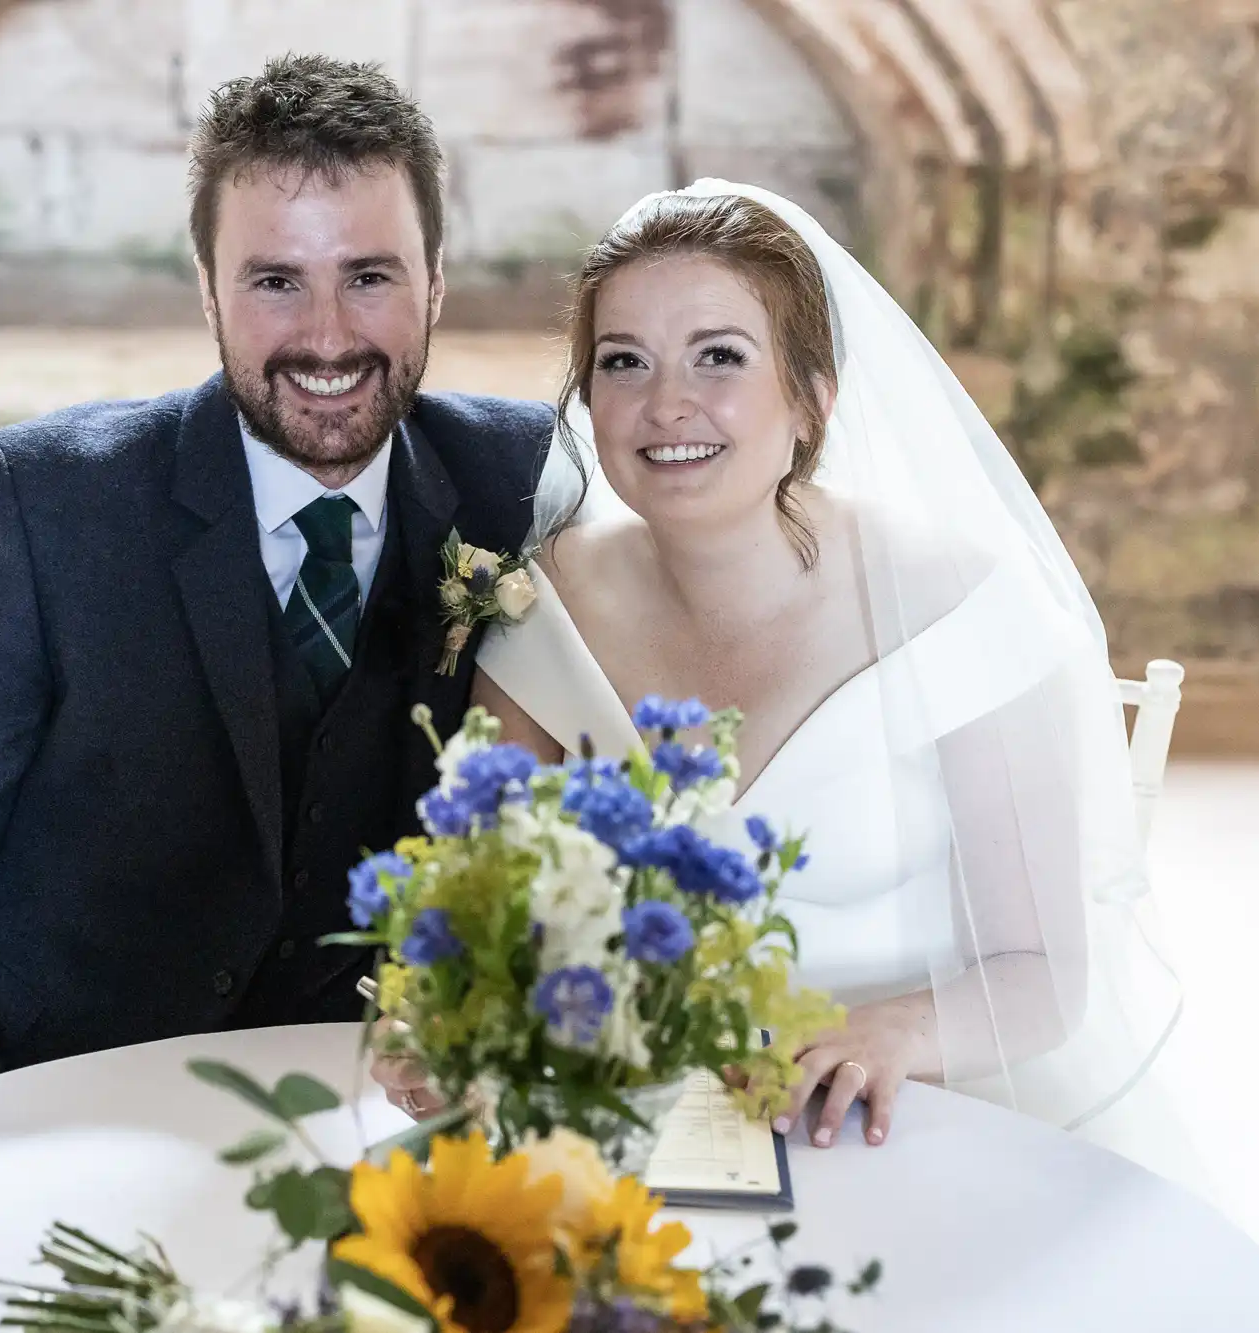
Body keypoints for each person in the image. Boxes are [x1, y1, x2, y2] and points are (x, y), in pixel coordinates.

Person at [0, 54, 549, 1172]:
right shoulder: (34, 503)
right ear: (206, 288)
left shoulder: (527, 485)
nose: (327, 337)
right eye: (274, 281)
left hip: (379, 1123)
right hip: (40, 1099)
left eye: (369, 276)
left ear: (437, 282)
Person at [374, 180, 1187, 1172]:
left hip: (913, 1115)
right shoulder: (541, 604)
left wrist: (893, 1031)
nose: (666, 402)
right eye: (622, 361)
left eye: (718, 356)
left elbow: (1042, 976)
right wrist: (452, 1010)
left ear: (812, 397)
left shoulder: (957, 607)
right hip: (636, 1121)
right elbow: (486, 904)